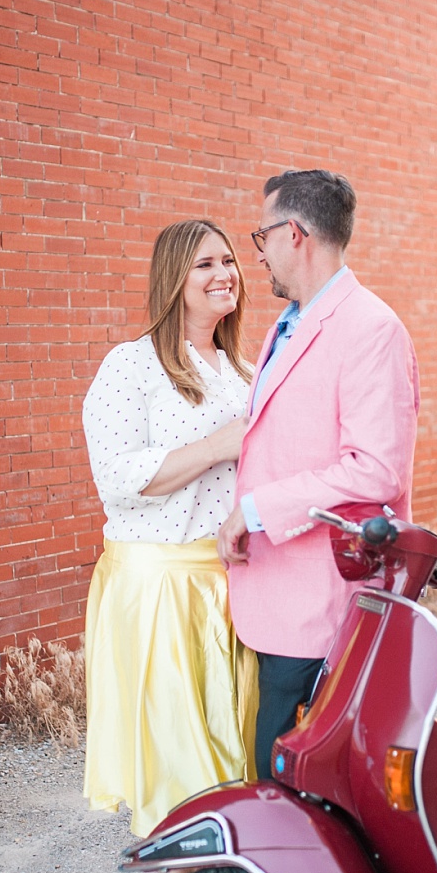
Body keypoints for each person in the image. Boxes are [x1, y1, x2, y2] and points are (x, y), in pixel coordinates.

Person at [217, 169, 420, 873]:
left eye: (262, 236)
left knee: (298, 769)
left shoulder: (370, 328)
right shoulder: (289, 324)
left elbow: (373, 470)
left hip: (321, 598)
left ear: (294, 235)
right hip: (276, 593)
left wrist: (259, 510)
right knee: (289, 766)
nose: (256, 253)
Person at [82, 219, 258, 837]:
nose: (224, 274)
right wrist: (218, 444)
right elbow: (119, 478)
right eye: (205, 264)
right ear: (173, 278)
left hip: (231, 586)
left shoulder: (242, 367)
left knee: (233, 754)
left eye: (229, 261)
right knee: (177, 766)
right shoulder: (131, 366)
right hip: (158, 590)